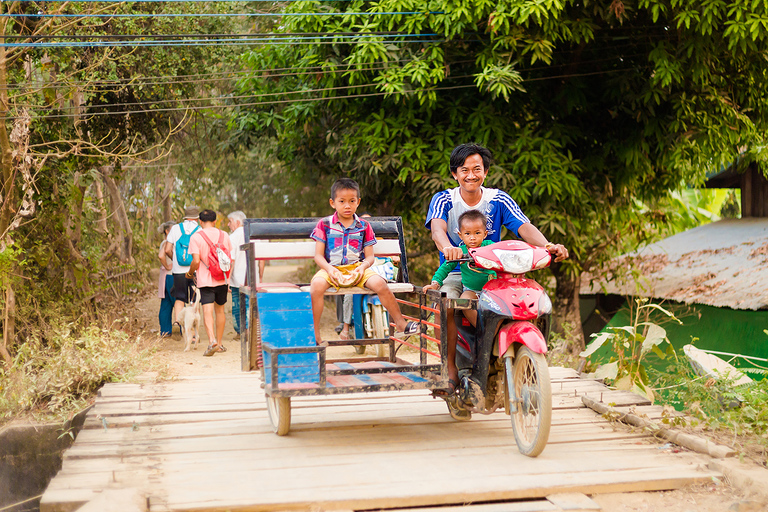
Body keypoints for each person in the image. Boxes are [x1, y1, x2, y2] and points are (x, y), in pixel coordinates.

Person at [426, 143, 569, 394]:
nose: (471, 175)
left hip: (494, 274)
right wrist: (448, 247)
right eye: (464, 170)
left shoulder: (498, 199)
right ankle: (449, 370)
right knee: (446, 301)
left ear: (486, 172)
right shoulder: (444, 199)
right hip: (457, 271)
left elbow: (523, 226)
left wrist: (548, 244)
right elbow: (437, 229)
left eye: (477, 169)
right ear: (454, 174)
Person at [309, 178, 419, 345]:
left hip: (357, 268)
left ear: (358, 202)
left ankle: (400, 323)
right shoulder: (324, 225)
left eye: (352, 201)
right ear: (333, 203)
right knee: (316, 286)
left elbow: (369, 257)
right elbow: (318, 256)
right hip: (331, 269)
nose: (347, 205)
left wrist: (362, 268)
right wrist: (330, 270)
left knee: (380, 284)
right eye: (342, 201)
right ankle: (316, 335)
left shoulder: (364, 226)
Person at [423, 209, 495, 332]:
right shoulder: (459, 252)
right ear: (460, 235)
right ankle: (484, 332)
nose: (472, 238)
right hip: (471, 290)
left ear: (485, 233)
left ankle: (497, 329)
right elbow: (444, 269)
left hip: (492, 290)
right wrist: (435, 283)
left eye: (477, 233)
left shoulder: (491, 247)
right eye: (467, 234)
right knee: (464, 301)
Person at [186, 209, 233, 357]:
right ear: (215, 221)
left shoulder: (196, 237)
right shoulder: (224, 235)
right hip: (222, 278)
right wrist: (228, 280)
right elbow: (229, 259)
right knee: (220, 310)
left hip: (206, 280)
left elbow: (196, 261)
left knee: (207, 311)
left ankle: (211, 341)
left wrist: (189, 272)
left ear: (200, 222)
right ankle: (218, 344)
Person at [227, 211, 264, 341]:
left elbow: (231, 260)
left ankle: (241, 331)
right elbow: (261, 260)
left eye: (230, 221)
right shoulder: (255, 235)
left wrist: (227, 280)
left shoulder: (232, 237)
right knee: (251, 304)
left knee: (238, 305)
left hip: (237, 279)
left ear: (238, 222)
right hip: (253, 279)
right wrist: (260, 276)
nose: (228, 224)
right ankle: (253, 331)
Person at [165, 206, 201, 331]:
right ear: (197, 218)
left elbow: (167, 249)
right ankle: (193, 332)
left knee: (179, 298)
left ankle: (177, 323)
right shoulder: (199, 230)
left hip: (178, 271)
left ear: (185, 217)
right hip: (195, 270)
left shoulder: (175, 228)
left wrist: (175, 259)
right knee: (194, 300)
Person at [157, 221, 176, 337]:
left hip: (165, 277)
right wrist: (167, 265)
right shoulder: (167, 242)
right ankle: (182, 330)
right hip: (171, 276)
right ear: (167, 231)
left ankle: (165, 331)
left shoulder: (164, 242)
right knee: (178, 302)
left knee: (166, 304)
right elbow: (161, 255)